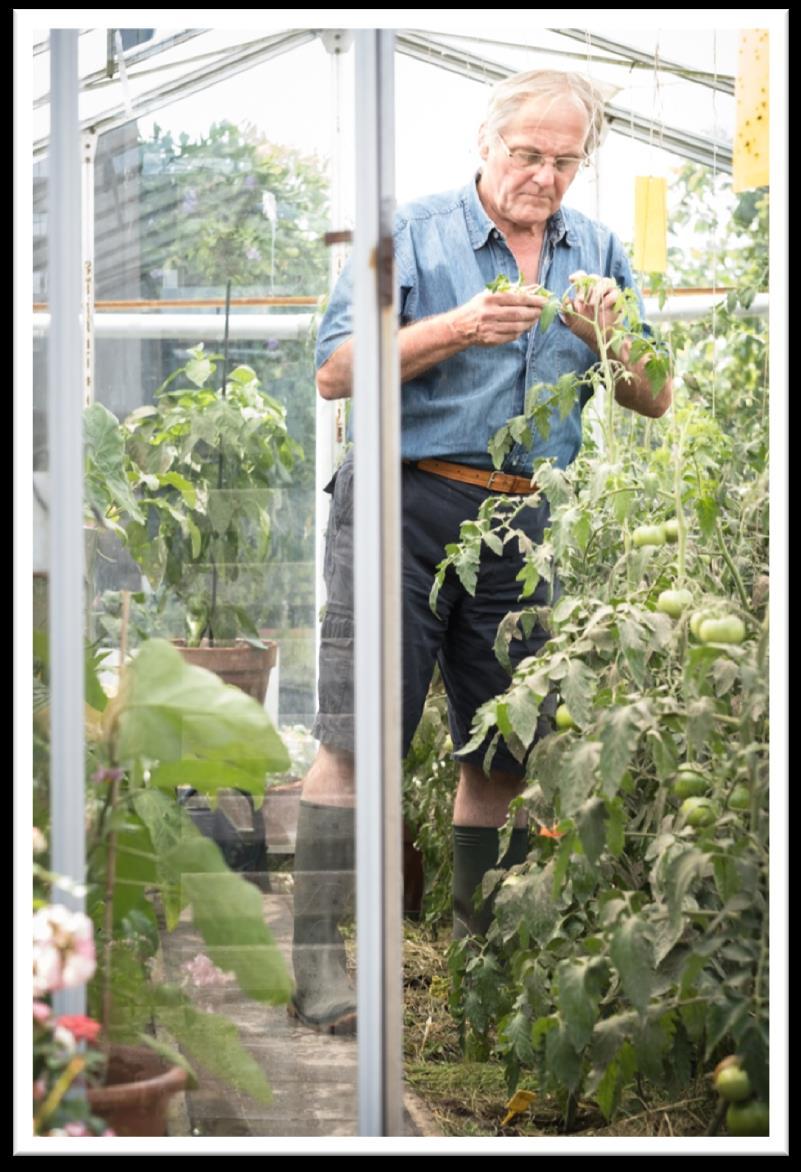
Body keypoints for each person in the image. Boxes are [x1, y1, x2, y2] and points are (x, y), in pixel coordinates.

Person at [288, 69, 673, 1035]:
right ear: (486, 144)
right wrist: (456, 326)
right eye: (526, 155)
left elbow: (652, 396)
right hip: (401, 502)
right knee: (357, 737)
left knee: (500, 747)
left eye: (563, 160)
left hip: (522, 524)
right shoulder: (408, 235)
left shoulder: (597, 252)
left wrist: (609, 337)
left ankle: (476, 977)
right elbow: (336, 371)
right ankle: (319, 972)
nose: (543, 176)